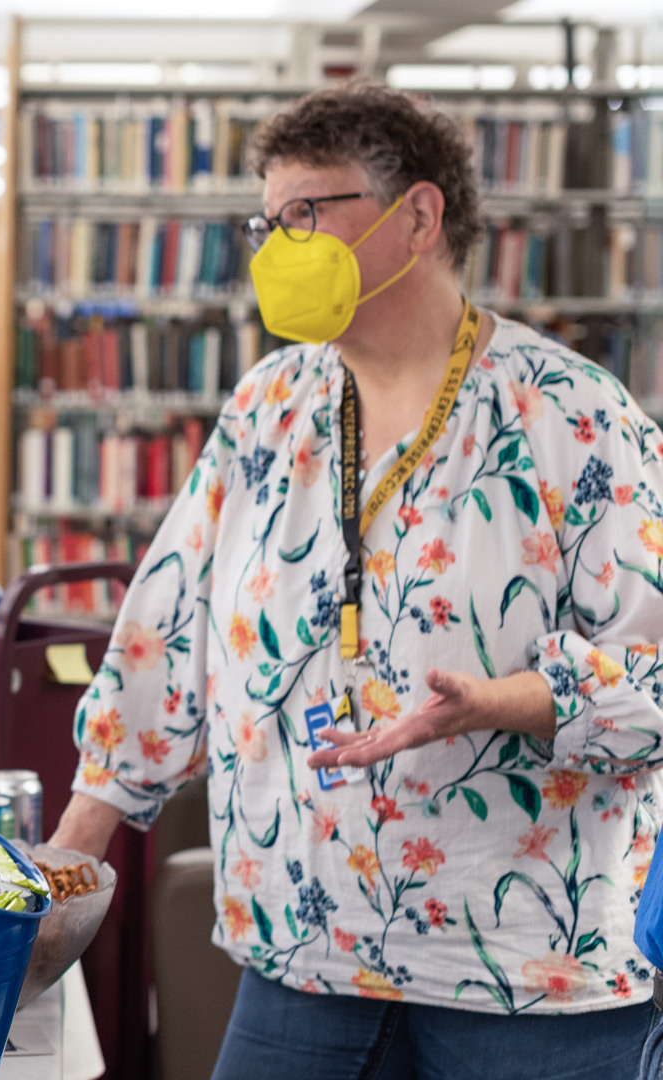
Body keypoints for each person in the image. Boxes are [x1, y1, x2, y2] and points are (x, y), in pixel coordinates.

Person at [45, 81, 663, 1079]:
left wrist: (498, 703)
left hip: (524, 971)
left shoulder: (575, 417)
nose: (275, 246)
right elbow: (167, 626)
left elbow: (655, 676)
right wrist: (77, 843)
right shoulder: (271, 407)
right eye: (267, 220)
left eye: (306, 213)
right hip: (302, 941)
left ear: (417, 218)